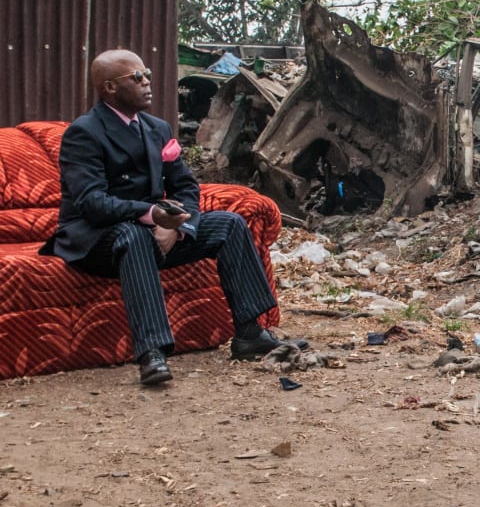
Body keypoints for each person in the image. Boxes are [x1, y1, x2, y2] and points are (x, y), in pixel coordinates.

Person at [42, 49, 306, 386]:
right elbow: (92, 203)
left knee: (230, 223)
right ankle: (152, 352)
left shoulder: (157, 128)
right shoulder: (85, 133)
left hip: (156, 231)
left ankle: (250, 332)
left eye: (147, 73)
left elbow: (185, 187)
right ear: (109, 88)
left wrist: (180, 229)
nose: (147, 82)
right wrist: (152, 216)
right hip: (97, 240)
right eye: (136, 78)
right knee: (133, 236)